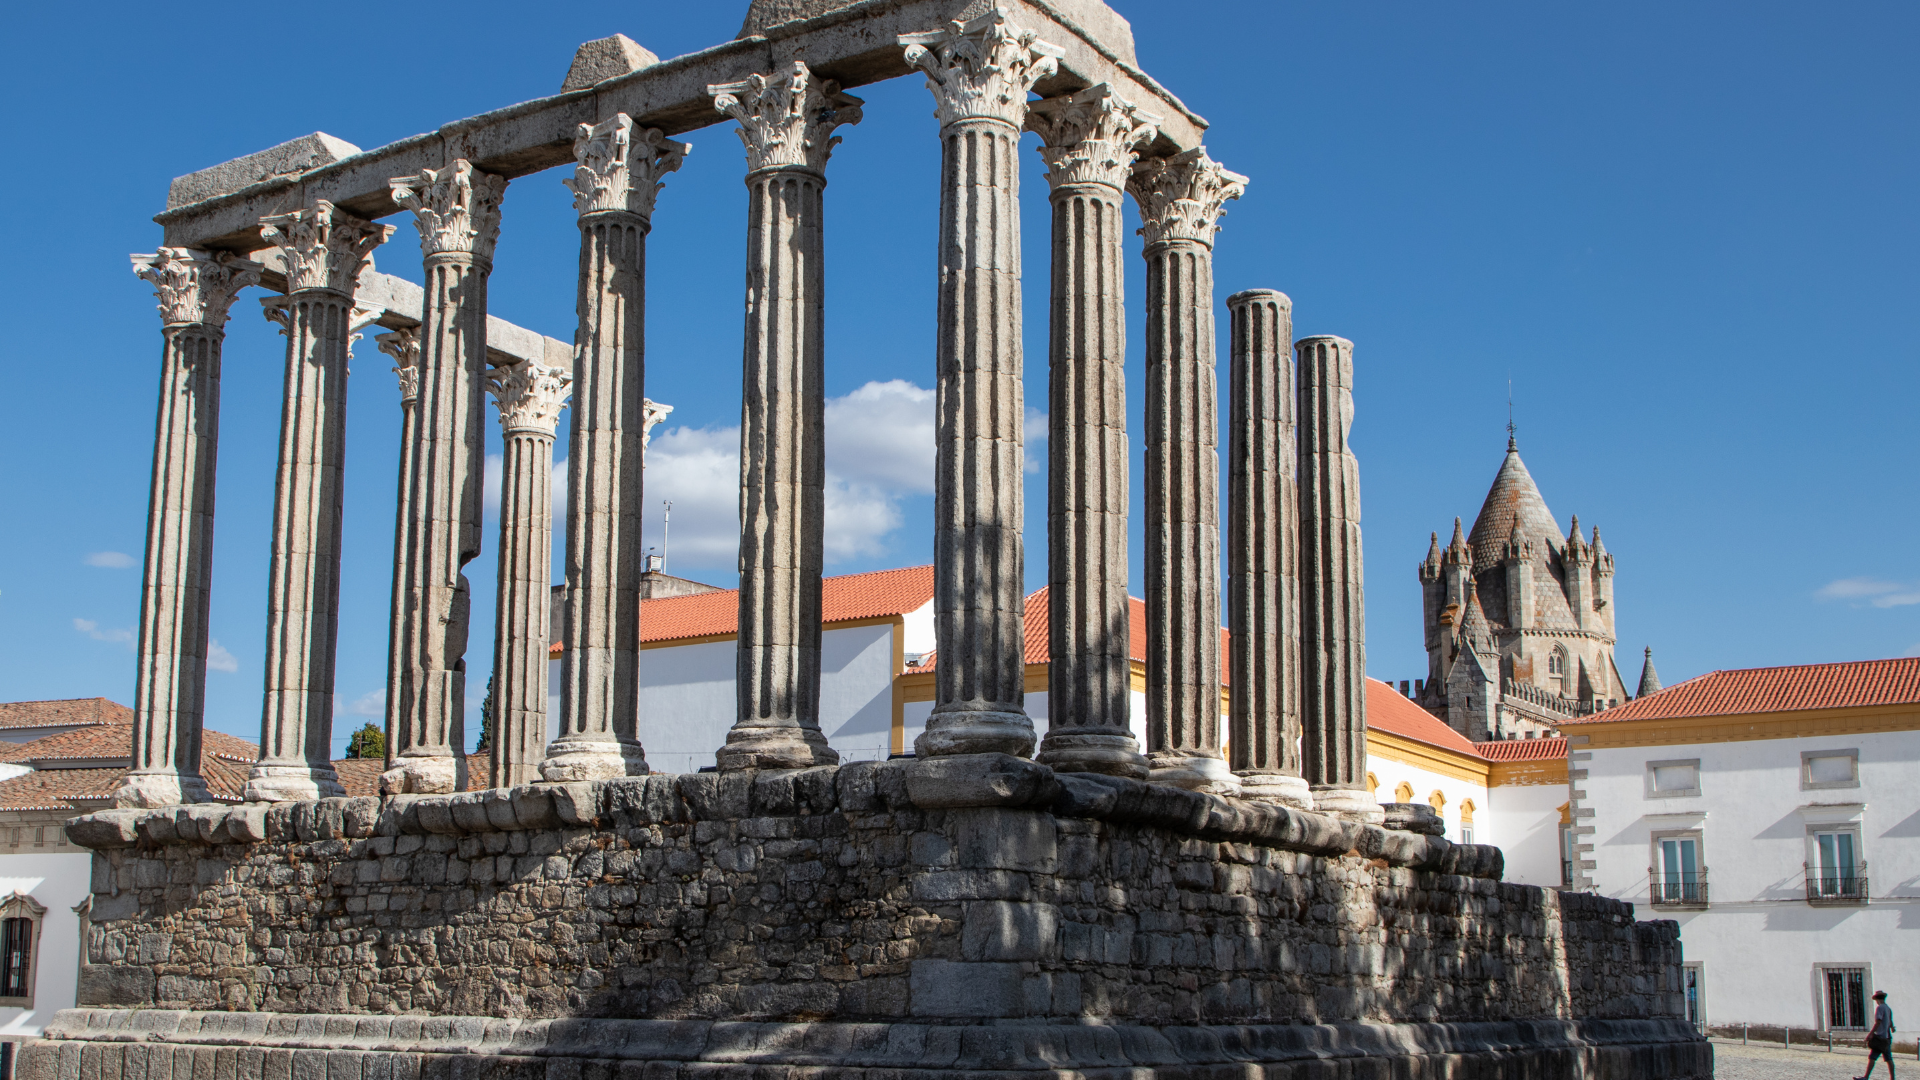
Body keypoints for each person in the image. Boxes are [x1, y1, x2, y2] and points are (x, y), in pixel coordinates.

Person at [1859, 990, 1896, 1080]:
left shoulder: (1880, 1008)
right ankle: (1892, 1078)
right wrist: (1892, 1028)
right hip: (1887, 1037)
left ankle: (1866, 1077)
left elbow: (1878, 1022)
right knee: (1888, 1058)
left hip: (1880, 1037)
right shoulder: (1888, 1008)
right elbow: (1890, 1022)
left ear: (1877, 1000)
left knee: (1872, 1057)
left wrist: (1870, 1034)